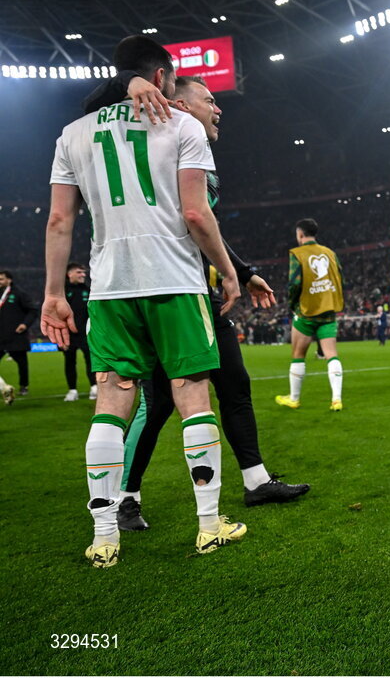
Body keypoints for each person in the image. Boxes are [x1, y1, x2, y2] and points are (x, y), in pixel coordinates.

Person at [41, 35, 246, 568]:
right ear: (160, 78)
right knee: (191, 393)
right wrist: (228, 272)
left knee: (112, 399)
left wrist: (54, 293)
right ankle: (208, 526)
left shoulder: (72, 135)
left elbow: (61, 220)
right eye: (174, 82)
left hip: (110, 285)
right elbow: (197, 214)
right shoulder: (182, 127)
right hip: (174, 279)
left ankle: (104, 535)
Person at [81, 72, 310, 525]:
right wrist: (130, 81)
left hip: (196, 290)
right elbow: (191, 217)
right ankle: (125, 496)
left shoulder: (188, 148)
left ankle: (256, 480)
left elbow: (202, 225)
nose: (218, 107)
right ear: (181, 105)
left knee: (235, 385)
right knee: (160, 402)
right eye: (208, 100)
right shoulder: (158, 147)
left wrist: (242, 273)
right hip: (164, 293)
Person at [276, 218, 345, 411]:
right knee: (331, 355)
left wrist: (292, 304)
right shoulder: (329, 253)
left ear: (300, 234)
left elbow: (294, 282)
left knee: (298, 355)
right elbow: (340, 277)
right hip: (328, 310)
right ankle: (336, 399)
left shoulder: (297, 254)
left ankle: (294, 398)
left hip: (306, 312)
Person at [62, 263, 97, 402]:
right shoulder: (62, 291)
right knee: (69, 362)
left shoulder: (88, 290)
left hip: (86, 334)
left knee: (91, 361)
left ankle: (94, 387)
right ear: (69, 274)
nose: (83, 274)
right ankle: (72, 390)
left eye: (83, 272)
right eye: (79, 272)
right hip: (68, 334)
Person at [0, 270, 36, 395]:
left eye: (1, 279)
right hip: (0, 336)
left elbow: (32, 310)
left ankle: (24, 386)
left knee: (22, 363)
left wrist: (25, 324)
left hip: (16, 336)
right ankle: (3, 387)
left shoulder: (19, 293)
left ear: (9, 280)